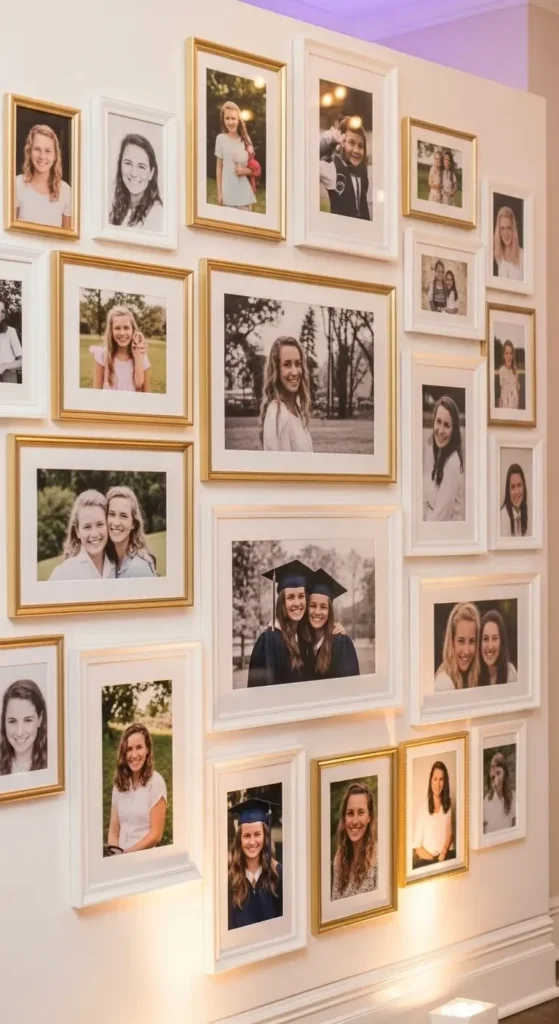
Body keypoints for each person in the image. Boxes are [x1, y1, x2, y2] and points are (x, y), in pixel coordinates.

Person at [247, 560, 314, 687]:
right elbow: (261, 692)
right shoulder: (268, 641)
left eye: (301, 596)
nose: (297, 603)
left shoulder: (304, 638)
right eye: (290, 597)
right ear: (282, 603)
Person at [106, 723, 167, 854]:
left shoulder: (156, 782)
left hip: (144, 858)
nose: (134, 755)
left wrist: (127, 854)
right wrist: (116, 855)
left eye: (139, 747)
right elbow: (113, 831)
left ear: (147, 749)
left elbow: (156, 835)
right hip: (119, 858)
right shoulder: (118, 785)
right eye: (129, 749)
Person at [228, 797, 283, 929]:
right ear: (239, 839)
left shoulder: (278, 875)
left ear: (265, 836)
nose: (252, 842)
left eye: (257, 834)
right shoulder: (230, 878)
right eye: (247, 836)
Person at [259, 337, 313, 452]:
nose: (295, 372)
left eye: (298, 364)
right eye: (287, 364)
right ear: (276, 371)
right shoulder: (277, 413)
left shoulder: (299, 412)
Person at [48, 490, 115, 581]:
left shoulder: (117, 566)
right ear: (77, 531)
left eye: (100, 524)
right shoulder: (62, 573)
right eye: (87, 527)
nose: (94, 534)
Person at [15, 124, 72, 229]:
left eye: (48, 151)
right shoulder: (17, 184)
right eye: (37, 149)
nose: (42, 156)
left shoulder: (66, 191)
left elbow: (69, 236)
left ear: (55, 155)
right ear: (29, 151)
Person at [307, 568, 360, 680]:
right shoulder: (303, 644)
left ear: (330, 611)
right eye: (312, 606)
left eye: (323, 607)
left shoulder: (341, 643)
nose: (317, 612)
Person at [89, 304, 151, 393]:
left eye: (126, 328)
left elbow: (143, 389)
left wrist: (138, 356)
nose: (122, 333)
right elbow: (96, 393)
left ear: (133, 330)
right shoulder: (102, 355)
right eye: (117, 328)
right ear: (111, 330)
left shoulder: (141, 355)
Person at [331, 781, 377, 900]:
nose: (355, 821)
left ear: (369, 817)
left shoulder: (379, 859)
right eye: (350, 813)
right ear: (344, 818)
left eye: (361, 812)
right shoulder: (339, 859)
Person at [109, 133, 163, 232]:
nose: (134, 173)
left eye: (141, 166)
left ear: (151, 173)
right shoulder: (119, 209)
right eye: (128, 163)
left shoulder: (157, 214)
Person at [319, 116, 371, 220]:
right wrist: (332, 139)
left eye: (361, 146)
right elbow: (307, 160)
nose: (356, 150)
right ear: (342, 142)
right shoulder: (332, 168)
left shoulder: (366, 172)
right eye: (351, 143)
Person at [423, 395, 465, 522]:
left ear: (454, 431)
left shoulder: (452, 463)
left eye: (446, 425)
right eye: (438, 422)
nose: (441, 430)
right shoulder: (437, 454)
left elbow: (440, 517)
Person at [106, 485, 157, 578]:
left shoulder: (137, 569)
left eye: (123, 516)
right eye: (112, 514)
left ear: (133, 523)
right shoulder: (113, 562)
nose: (116, 523)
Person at [214, 101, 257, 211]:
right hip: (228, 195)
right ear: (223, 120)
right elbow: (219, 167)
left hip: (245, 195)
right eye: (227, 118)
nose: (230, 122)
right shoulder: (220, 139)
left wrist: (245, 170)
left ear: (238, 120)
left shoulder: (245, 140)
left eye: (233, 118)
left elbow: (254, 168)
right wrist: (219, 193)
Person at [412, 761, 455, 868]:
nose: (438, 784)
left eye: (441, 779)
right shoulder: (422, 810)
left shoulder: (448, 805)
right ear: (430, 781)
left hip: (446, 858)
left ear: (445, 782)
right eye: (435, 779)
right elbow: (417, 847)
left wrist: (443, 853)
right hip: (428, 861)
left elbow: (449, 834)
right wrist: (433, 860)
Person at [0, 679, 47, 775]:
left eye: (28, 720)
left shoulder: (55, 763)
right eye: (12, 721)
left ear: (40, 719)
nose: (19, 732)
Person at [435, 602, 480, 692]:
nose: (466, 651)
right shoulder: (444, 683)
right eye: (461, 641)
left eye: (472, 641)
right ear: (451, 642)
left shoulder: (472, 676)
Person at [479, 610, 518, 686]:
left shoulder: (510, 674)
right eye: (485, 639)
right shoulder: (474, 675)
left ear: (501, 642)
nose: (490, 646)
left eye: (494, 638)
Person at [483, 752, 516, 834]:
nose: (495, 778)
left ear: (505, 774)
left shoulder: (514, 798)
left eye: (498, 773)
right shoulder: (486, 801)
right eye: (493, 775)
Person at [493, 205, 524, 281]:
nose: (505, 233)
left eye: (509, 228)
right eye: (502, 228)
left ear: (513, 229)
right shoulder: (497, 257)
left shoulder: (523, 256)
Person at [500, 463, 528, 538]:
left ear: (524, 486)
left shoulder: (523, 513)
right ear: (508, 491)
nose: (517, 492)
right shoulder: (503, 516)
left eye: (519, 485)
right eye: (513, 487)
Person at [0, 299, 22, 383]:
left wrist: (5, 366)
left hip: (7, 377)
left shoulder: (10, 331)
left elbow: (21, 361)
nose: (0, 314)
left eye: (2, 311)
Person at [497, 340, 521, 410]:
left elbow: (517, 395)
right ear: (503, 355)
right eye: (506, 353)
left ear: (513, 355)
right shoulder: (500, 372)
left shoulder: (515, 373)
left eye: (510, 353)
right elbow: (498, 399)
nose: (509, 357)